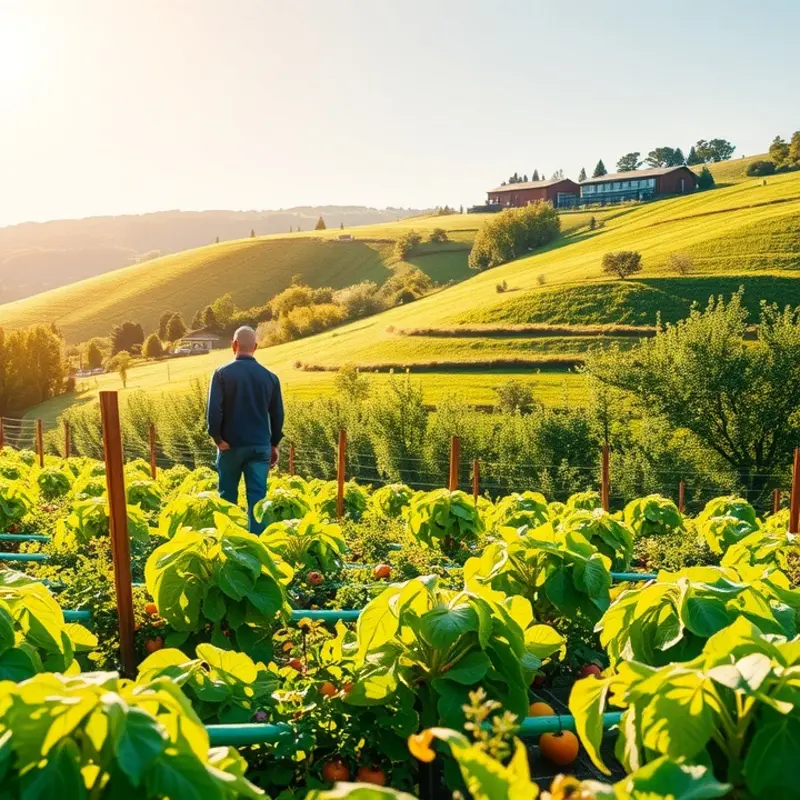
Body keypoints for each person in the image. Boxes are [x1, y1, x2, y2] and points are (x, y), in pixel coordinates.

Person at [206, 326, 283, 532]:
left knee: (227, 499)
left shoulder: (221, 374)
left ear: (234, 345)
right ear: (255, 347)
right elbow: (278, 415)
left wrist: (217, 439)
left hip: (230, 446)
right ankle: (256, 543)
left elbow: (213, 412)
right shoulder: (270, 378)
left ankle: (229, 540)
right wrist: (274, 444)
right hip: (259, 447)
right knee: (258, 501)